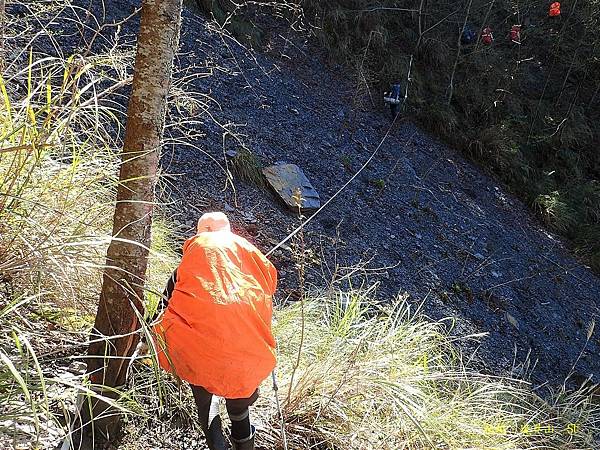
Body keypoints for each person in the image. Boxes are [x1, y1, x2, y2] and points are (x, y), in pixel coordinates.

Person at [152, 212, 278, 450]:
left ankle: (215, 442)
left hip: (201, 350)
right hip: (246, 351)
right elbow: (266, 300)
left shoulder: (194, 255)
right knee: (239, 404)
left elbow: (162, 308)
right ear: (227, 232)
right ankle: (244, 441)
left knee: (205, 395)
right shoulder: (252, 258)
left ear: (203, 232)